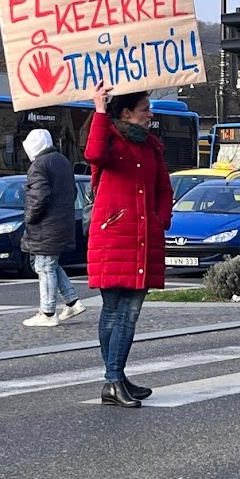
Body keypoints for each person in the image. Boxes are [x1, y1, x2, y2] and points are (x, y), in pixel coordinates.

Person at [85, 84, 174, 408]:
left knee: (129, 312)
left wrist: (160, 219)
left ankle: (116, 379)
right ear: (126, 113)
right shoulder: (108, 140)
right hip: (114, 237)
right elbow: (93, 154)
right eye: (145, 109)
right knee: (114, 311)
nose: (150, 114)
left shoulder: (150, 147)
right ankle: (113, 379)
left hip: (143, 237)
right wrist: (99, 111)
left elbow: (164, 187)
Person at [21, 128, 86, 327]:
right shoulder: (62, 161)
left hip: (46, 225)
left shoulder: (39, 165)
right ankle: (72, 302)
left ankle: (48, 312)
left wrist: (29, 217)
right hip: (61, 222)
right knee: (49, 264)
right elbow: (72, 191)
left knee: (45, 266)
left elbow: (38, 198)